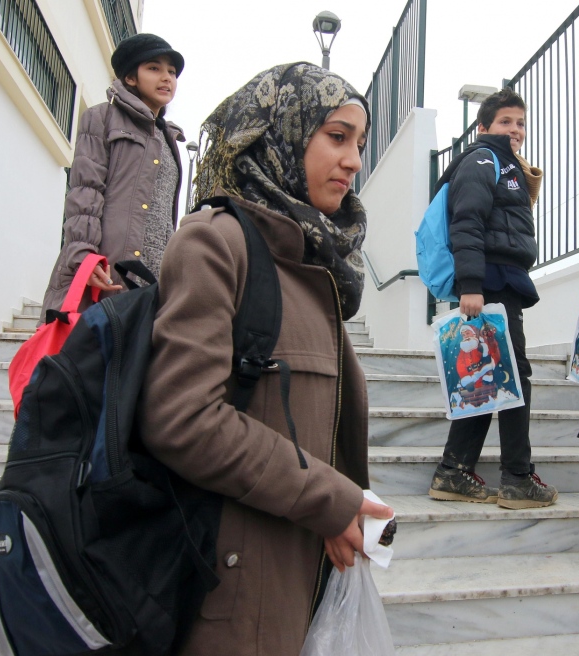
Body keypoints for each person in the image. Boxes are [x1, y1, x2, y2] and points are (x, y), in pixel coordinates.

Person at [139, 63, 392, 656]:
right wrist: (331, 500)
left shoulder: (313, 263)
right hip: (231, 601)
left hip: (298, 581)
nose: (354, 159)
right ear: (281, 133)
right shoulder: (217, 241)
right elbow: (183, 417)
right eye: (336, 136)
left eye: (359, 142)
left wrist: (340, 512)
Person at [427, 88, 558, 510]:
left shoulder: (504, 164)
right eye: (505, 122)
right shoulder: (485, 159)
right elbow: (468, 220)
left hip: (496, 281)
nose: (515, 130)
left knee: (489, 377)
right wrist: (471, 286)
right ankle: (517, 478)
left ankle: (454, 471)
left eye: (520, 122)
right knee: (514, 378)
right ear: (483, 128)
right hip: (490, 284)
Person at [39, 33, 186, 321]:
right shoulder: (101, 118)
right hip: (110, 264)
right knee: (94, 351)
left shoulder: (169, 138)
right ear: (131, 78)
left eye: (171, 71)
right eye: (154, 68)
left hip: (155, 271)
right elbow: (86, 190)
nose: (166, 78)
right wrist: (83, 254)